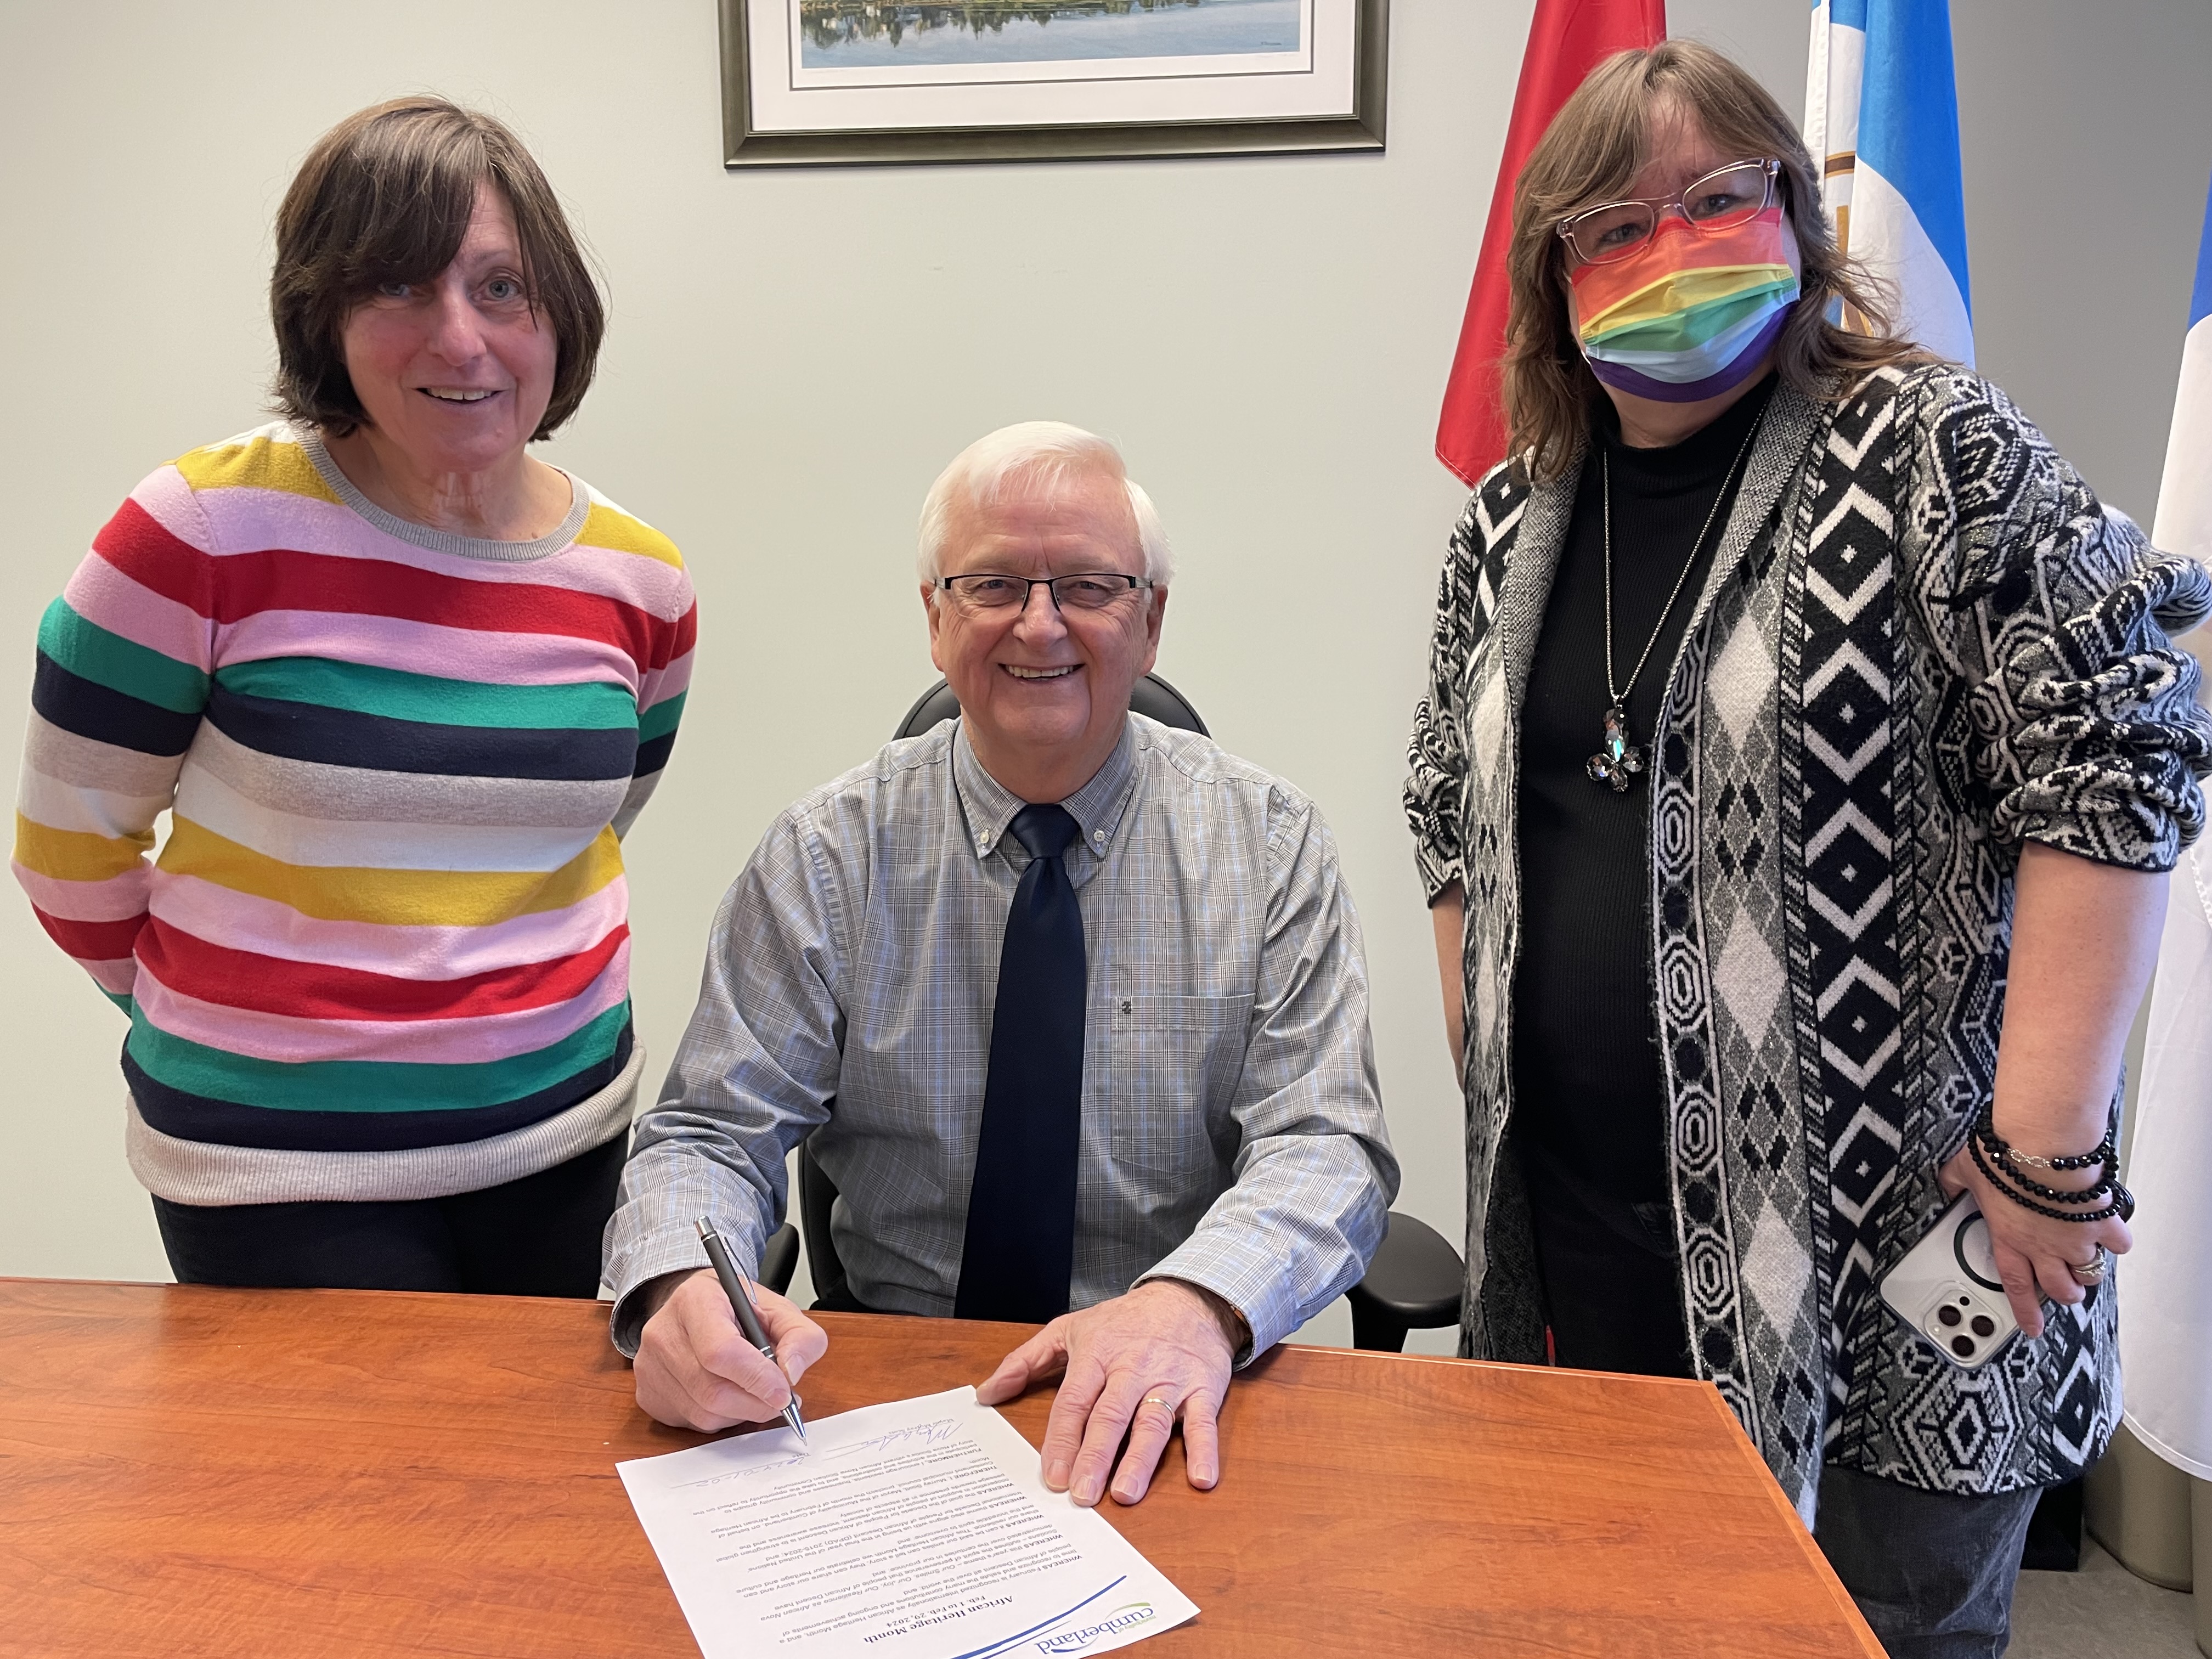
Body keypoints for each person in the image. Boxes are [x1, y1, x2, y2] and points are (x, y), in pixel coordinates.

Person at [1402, 42, 2211, 1659]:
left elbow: (2123, 737)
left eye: (1717, 198)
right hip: (1587, 1258)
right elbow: (1447, 805)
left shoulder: (1932, 450)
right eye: (1615, 227)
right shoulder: (1510, 513)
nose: (1671, 250)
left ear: (1796, 209)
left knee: (1865, 1640)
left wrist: (2047, 1147)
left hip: (1898, 1274)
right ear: (1555, 275)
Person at [606, 420, 1396, 1509]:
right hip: (885, 1400)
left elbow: (1327, 1147)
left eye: (1088, 583)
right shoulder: (829, 855)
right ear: (934, 617)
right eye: (992, 584)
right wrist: (679, 1284)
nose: (1040, 623)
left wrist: (1196, 1304)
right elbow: (708, 1133)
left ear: (1151, 619)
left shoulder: (1270, 849)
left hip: (1168, 1384)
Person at [12, 98, 695, 1295]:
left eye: (500, 287)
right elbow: (71, 855)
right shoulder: (197, 534)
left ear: (559, 316)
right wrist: (232, 1019)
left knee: (545, 1483)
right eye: (399, 289)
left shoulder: (640, 578)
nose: (460, 339)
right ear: (324, 313)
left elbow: (584, 825)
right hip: (276, 1176)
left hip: (566, 1141)